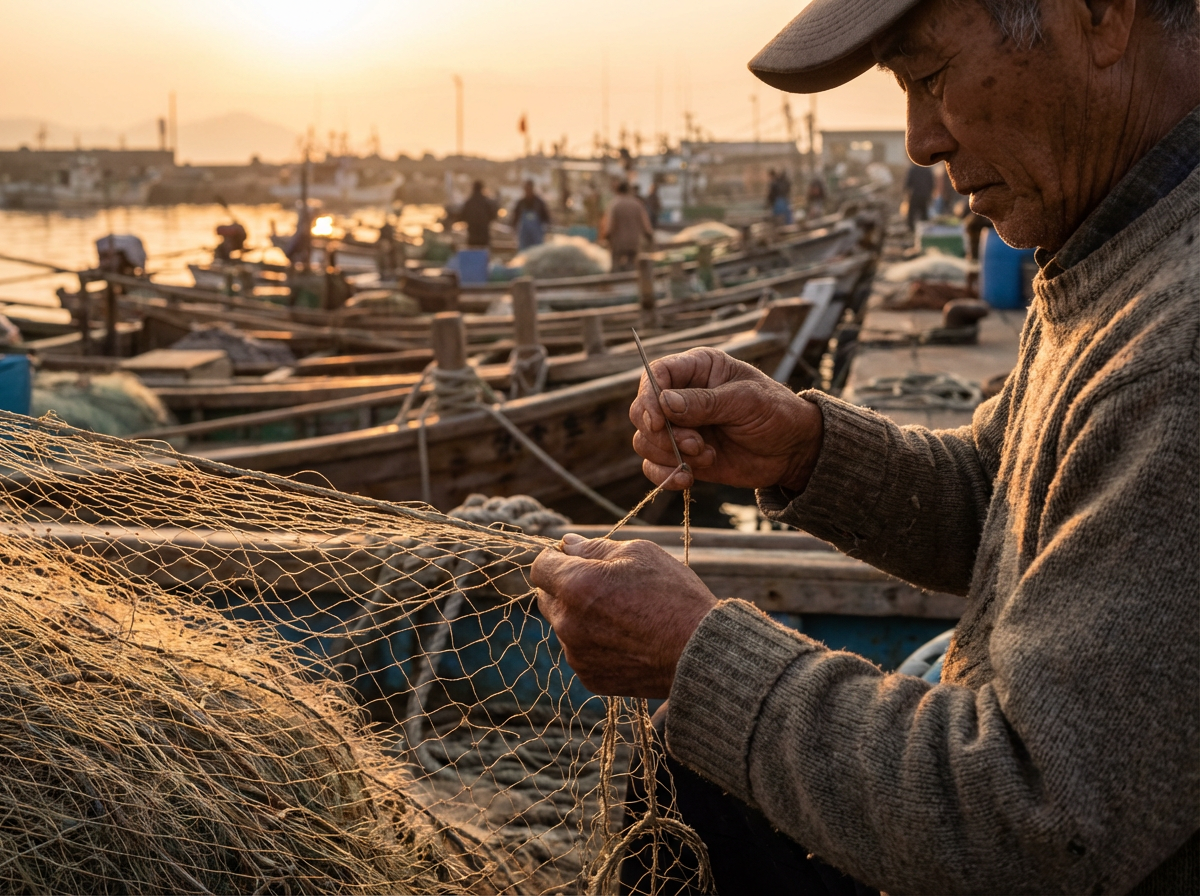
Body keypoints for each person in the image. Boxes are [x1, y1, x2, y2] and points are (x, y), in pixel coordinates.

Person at [531, 0, 1200, 893]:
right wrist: (805, 450)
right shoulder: (1113, 238)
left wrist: (699, 655)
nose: (920, 141)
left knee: (699, 765)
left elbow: (1039, 822)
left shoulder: (1176, 347)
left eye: (929, 77)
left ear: (1100, 15)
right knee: (695, 774)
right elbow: (1008, 500)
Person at [600, 181, 654, 272]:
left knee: (616, 265)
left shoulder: (615, 204)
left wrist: (606, 237)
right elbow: (646, 225)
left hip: (617, 242)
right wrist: (649, 237)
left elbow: (609, 226)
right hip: (633, 241)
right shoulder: (637, 204)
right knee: (632, 265)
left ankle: (616, 283)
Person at [456, 180, 497, 250]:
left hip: (472, 236)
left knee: (473, 256)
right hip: (484, 236)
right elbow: (493, 216)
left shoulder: (468, 202)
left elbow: (461, 217)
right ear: (482, 188)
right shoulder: (486, 202)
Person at [512, 179, 551, 251]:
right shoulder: (520, 203)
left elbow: (546, 218)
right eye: (526, 189)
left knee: (537, 253)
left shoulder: (539, 203)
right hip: (524, 237)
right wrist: (514, 229)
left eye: (529, 188)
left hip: (537, 238)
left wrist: (546, 229)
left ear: (533, 189)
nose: (528, 191)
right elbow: (514, 219)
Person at [903, 161, 935, 230]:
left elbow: (908, 183)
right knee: (924, 213)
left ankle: (911, 229)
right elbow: (932, 184)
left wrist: (906, 194)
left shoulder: (913, 169)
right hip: (925, 195)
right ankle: (924, 229)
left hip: (915, 195)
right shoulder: (928, 170)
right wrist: (930, 195)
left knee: (911, 213)